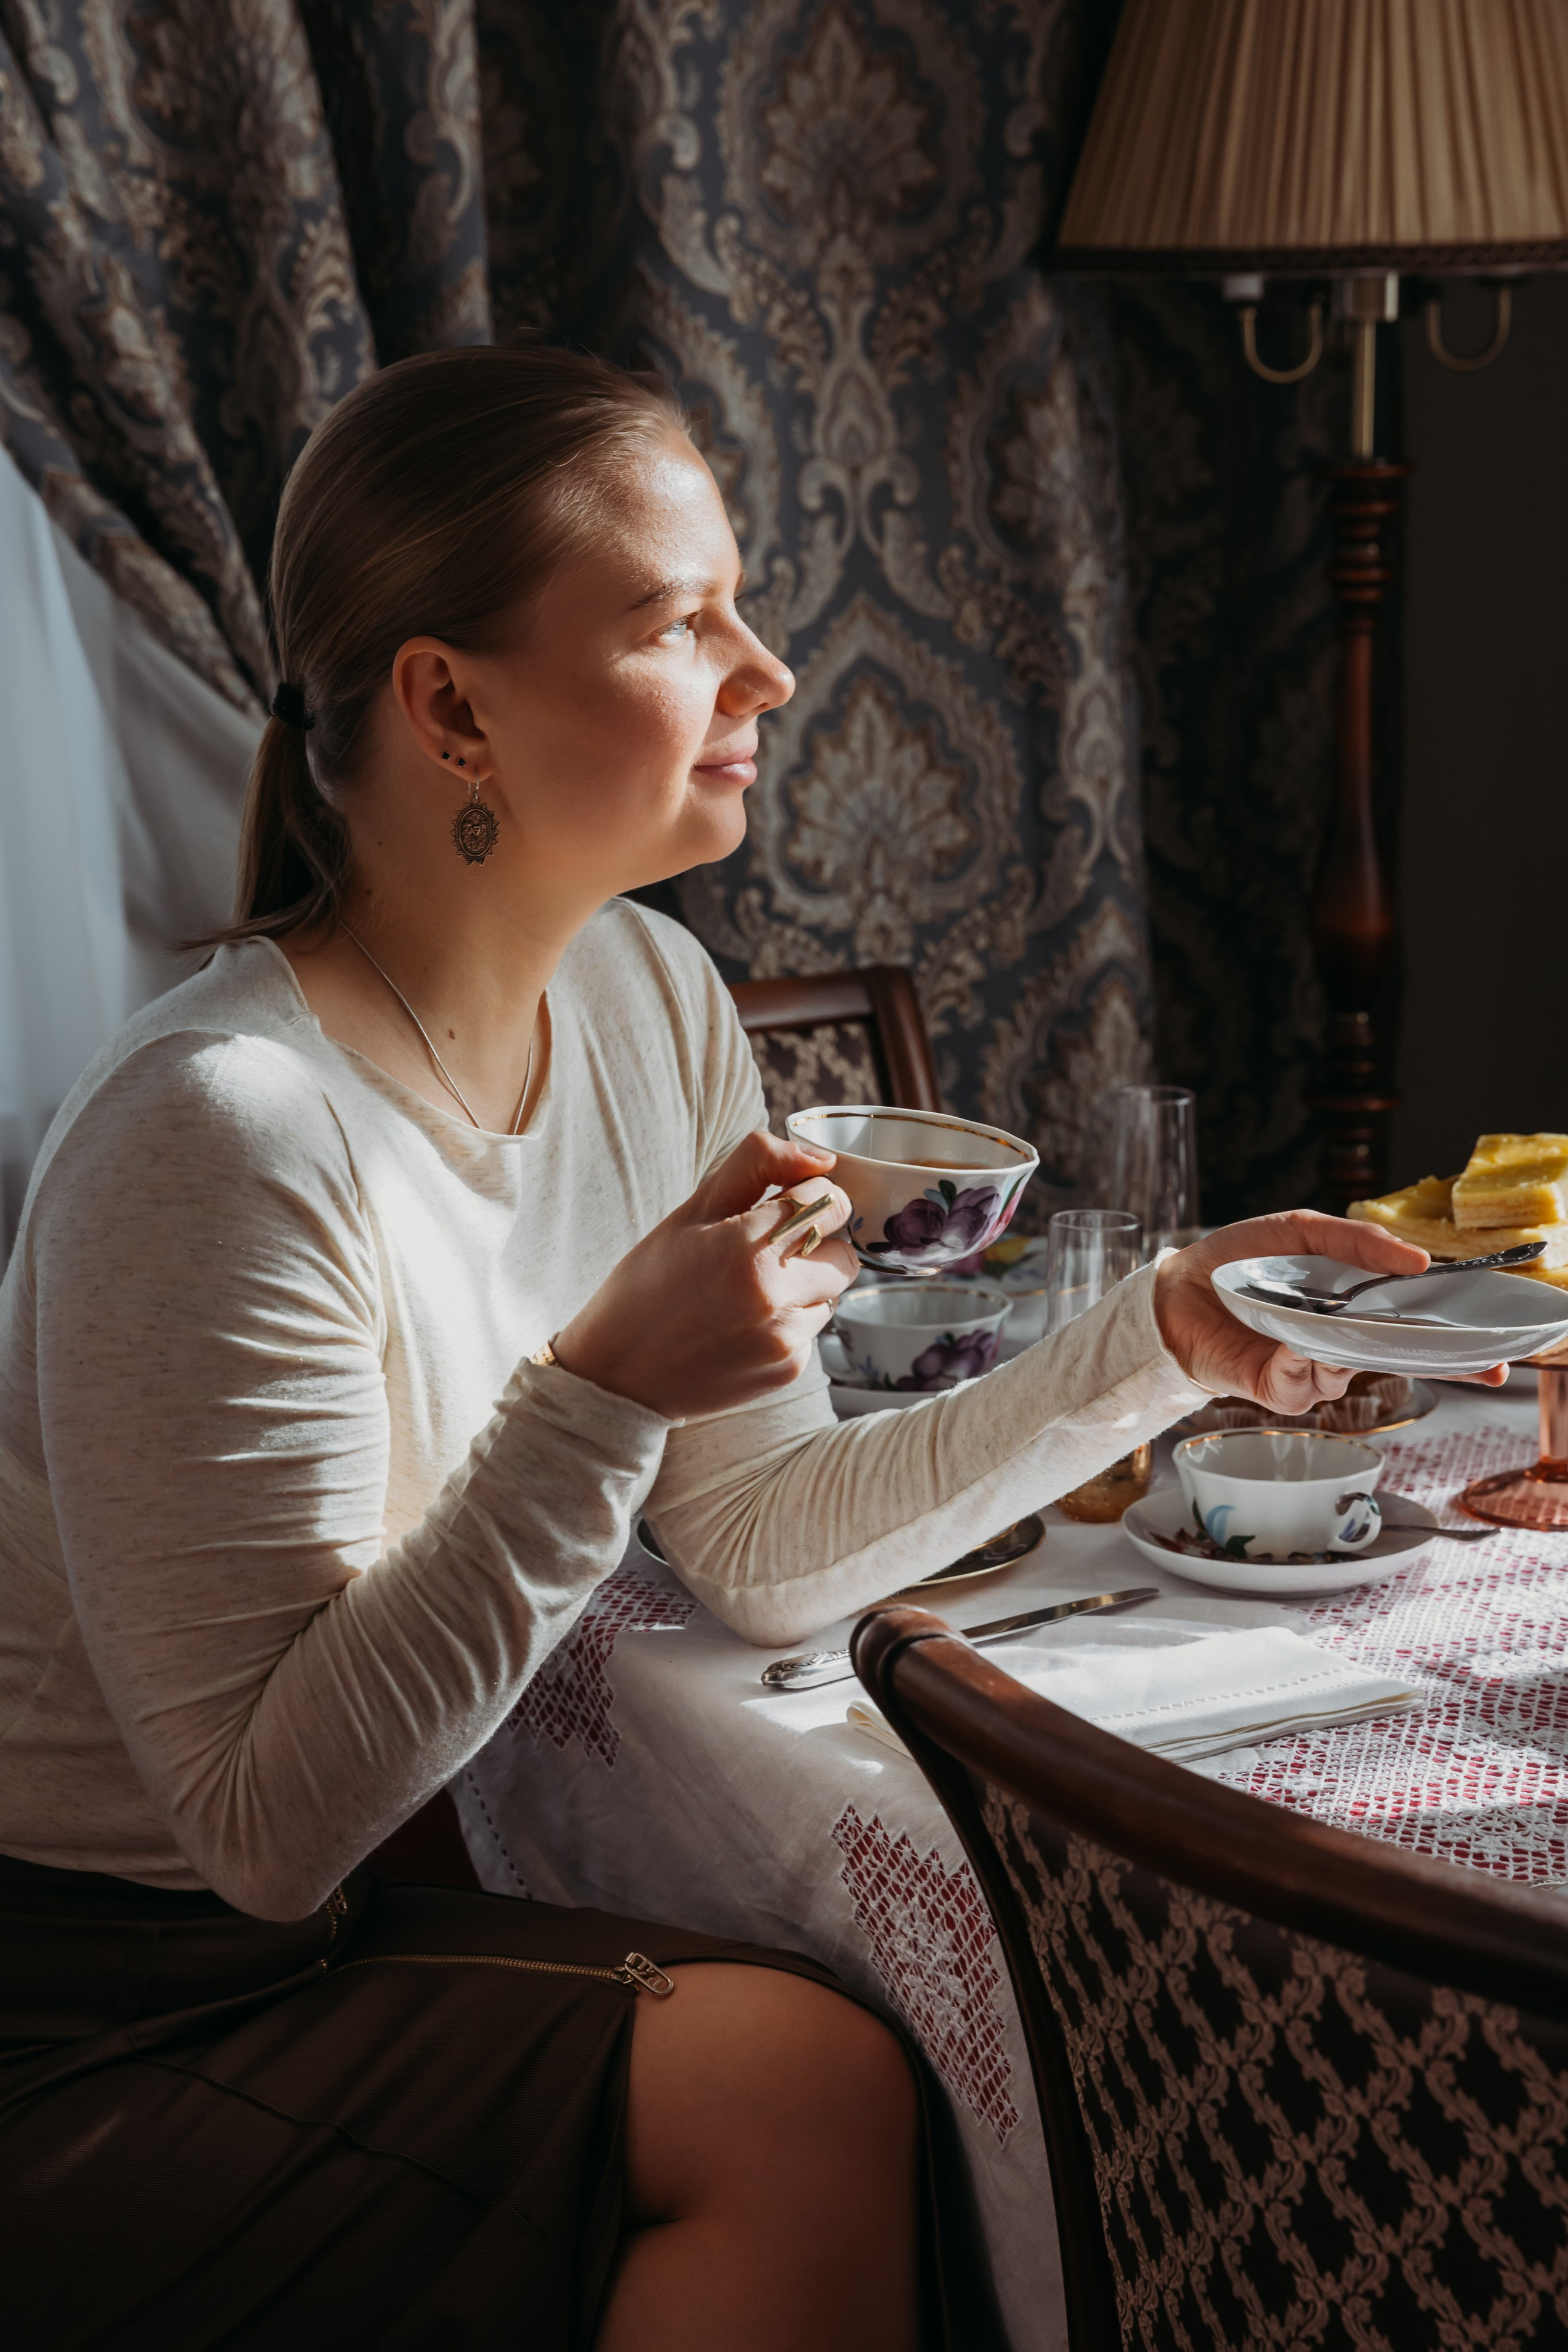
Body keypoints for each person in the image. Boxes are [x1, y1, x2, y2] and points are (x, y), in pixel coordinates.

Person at [0, 344, 1480, 2350]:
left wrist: (1165, 1337)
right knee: (804, 2083)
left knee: (851, 2050)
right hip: (99, 2000)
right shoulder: (220, 1134)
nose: (769, 674)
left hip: (316, 1928)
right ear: (451, 705)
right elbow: (261, 1836)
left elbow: (766, 1541)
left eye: (743, 607)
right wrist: (599, 1394)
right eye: (680, 622)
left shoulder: (646, 996)